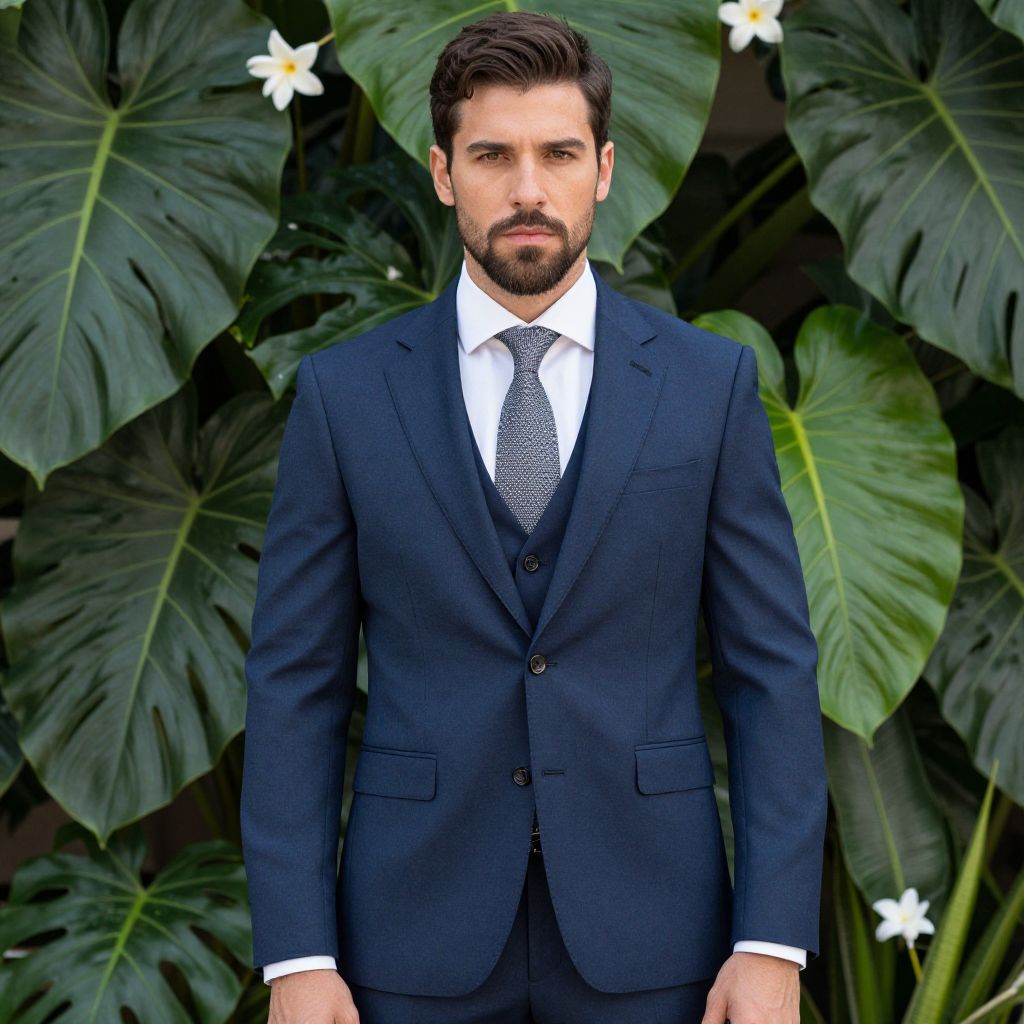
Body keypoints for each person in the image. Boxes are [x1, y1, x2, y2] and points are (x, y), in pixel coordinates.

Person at [240, 10, 827, 1024]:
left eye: (557, 154)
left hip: (657, 935)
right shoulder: (346, 397)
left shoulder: (708, 387)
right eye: (491, 156)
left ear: (603, 169)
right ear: (441, 172)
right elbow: (296, 683)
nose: (526, 190)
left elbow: (769, 670)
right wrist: (296, 954)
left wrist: (771, 940)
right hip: (408, 939)